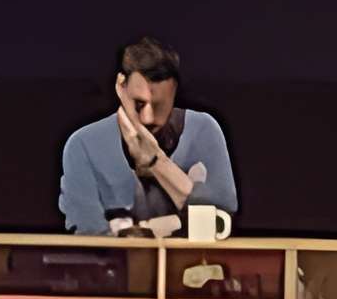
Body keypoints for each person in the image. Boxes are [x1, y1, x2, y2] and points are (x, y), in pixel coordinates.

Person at [58, 37, 239, 234]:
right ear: (121, 86)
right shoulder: (83, 144)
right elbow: (87, 234)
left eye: (160, 105)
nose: (148, 118)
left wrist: (157, 162)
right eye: (139, 104)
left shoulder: (204, 130)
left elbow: (221, 221)